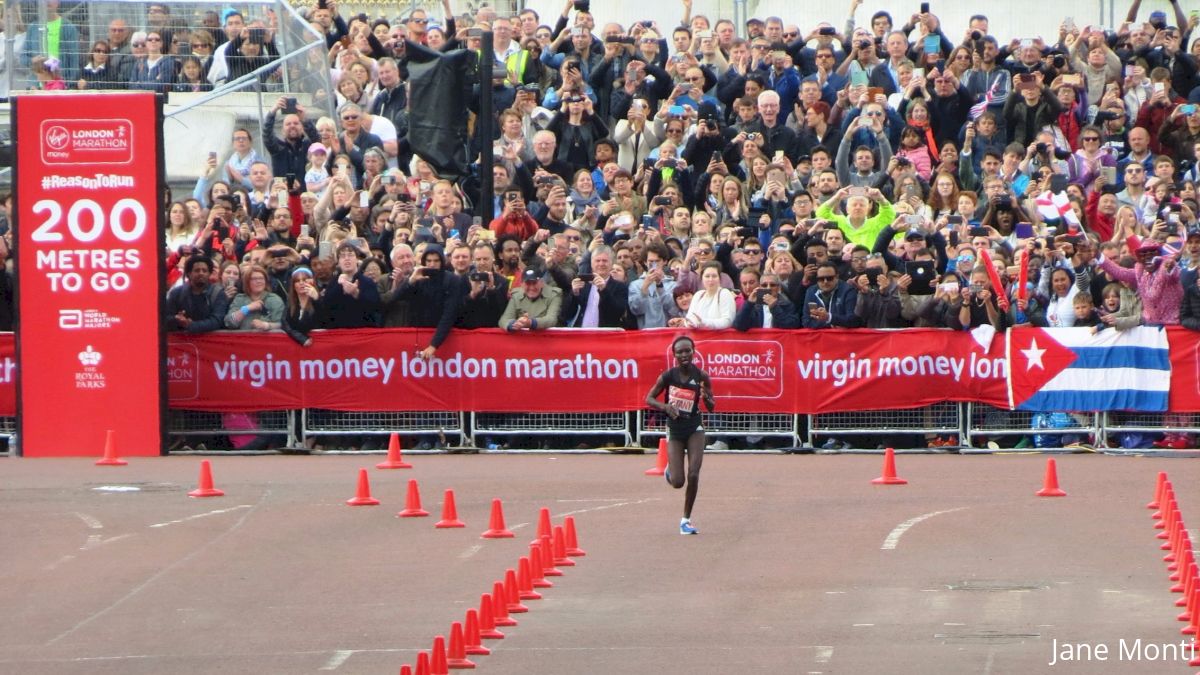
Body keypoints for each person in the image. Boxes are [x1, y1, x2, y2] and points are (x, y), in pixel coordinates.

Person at [644, 335, 715, 536]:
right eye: (680, 352)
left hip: (694, 427)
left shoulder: (702, 376)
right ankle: (670, 469)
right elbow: (648, 398)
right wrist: (665, 407)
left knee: (694, 473)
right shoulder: (668, 376)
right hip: (675, 430)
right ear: (674, 355)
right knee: (678, 482)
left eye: (687, 351)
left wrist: (707, 398)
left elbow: (711, 407)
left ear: (694, 352)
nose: (684, 355)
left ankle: (685, 520)